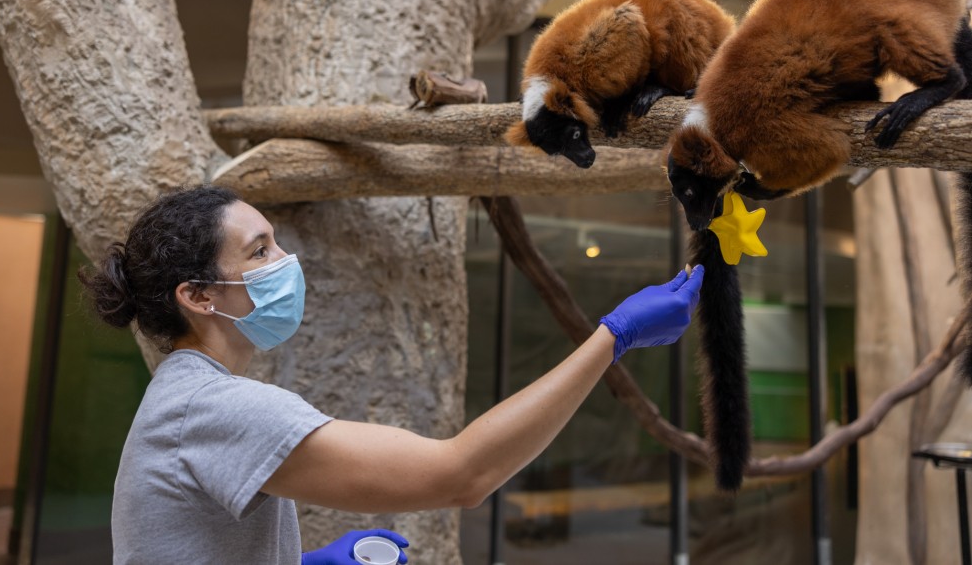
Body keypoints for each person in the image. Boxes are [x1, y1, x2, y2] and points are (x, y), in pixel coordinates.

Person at [80, 184, 704, 565]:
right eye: (260, 250)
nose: (286, 262)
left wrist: (302, 563)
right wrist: (613, 337)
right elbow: (462, 474)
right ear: (200, 296)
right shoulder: (212, 408)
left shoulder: (187, 395)